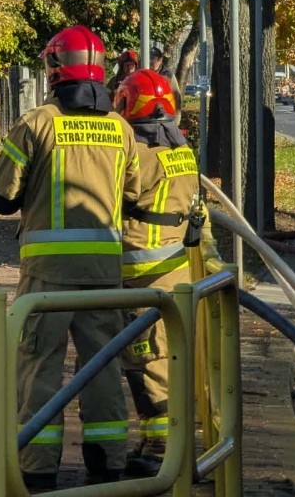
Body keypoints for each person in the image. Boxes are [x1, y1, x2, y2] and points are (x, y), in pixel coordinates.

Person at [0, 25, 142, 488]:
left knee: (39, 372)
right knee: (103, 369)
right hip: (103, 276)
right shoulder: (120, 129)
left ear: (55, 68)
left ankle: (37, 473)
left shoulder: (36, 123)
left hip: (47, 280)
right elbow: (132, 194)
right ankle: (107, 464)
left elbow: (1, 196)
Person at [113, 69, 202, 477]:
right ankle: (156, 441)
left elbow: (113, 195)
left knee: (147, 362)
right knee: (160, 358)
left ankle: (161, 448)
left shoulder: (141, 158)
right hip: (172, 272)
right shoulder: (181, 149)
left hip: (141, 273)